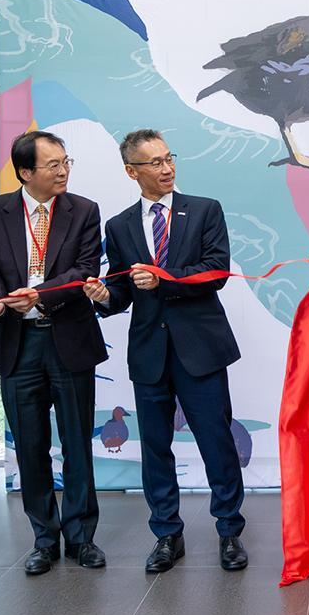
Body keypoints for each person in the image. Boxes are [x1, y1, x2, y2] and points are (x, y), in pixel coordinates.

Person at [83, 130, 249, 574]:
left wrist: (163, 277)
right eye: (154, 162)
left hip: (200, 348)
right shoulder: (118, 226)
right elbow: (122, 290)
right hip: (150, 352)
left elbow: (215, 271)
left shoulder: (204, 210)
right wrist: (103, 295)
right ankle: (166, 534)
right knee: (155, 447)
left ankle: (229, 530)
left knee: (217, 441)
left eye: (169, 158)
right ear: (131, 171)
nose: (167, 168)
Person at [0, 130, 110, 572]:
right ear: (26, 172)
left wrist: (39, 295)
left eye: (66, 162)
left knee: (76, 442)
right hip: (17, 344)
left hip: (68, 337)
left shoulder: (83, 210)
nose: (64, 171)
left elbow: (85, 268)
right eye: (53, 165)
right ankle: (43, 538)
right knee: (29, 446)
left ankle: (81, 536)